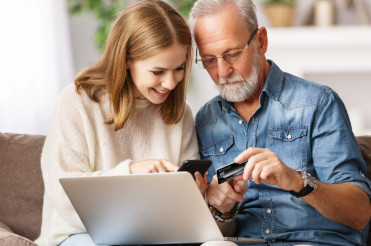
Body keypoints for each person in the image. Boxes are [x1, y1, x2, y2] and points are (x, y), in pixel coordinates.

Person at [189, 0, 371, 245]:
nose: (221, 72)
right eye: (209, 60)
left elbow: (360, 213)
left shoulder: (318, 103)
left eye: (231, 54)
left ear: (261, 41)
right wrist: (222, 210)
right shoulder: (205, 121)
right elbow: (222, 230)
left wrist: (297, 181)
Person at [35, 1, 206, 245]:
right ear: (126, 59)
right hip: (83, 235)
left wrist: (194, 198)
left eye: (179, 69)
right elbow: (65, 199)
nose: (170, 83)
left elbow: (185, 212)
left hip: (158, 234)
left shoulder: (180, 112)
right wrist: (130, 172)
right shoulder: (77, 102)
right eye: (158, 72)